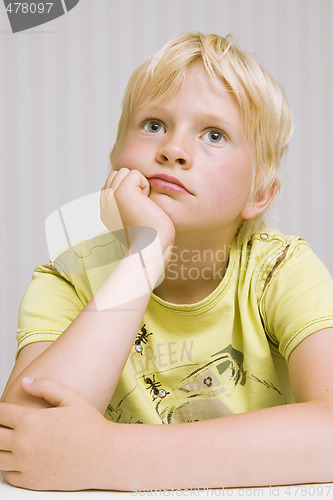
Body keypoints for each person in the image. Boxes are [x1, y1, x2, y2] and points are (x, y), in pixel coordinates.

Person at [1, 31, 333, 492]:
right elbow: (23, 437)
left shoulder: (280, 270)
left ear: (259, 193)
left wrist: (109, 456)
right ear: (115, 158)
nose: (173, 149)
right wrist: (147, 253)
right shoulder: (67, 281)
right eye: (153, 124)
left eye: (214, 135)